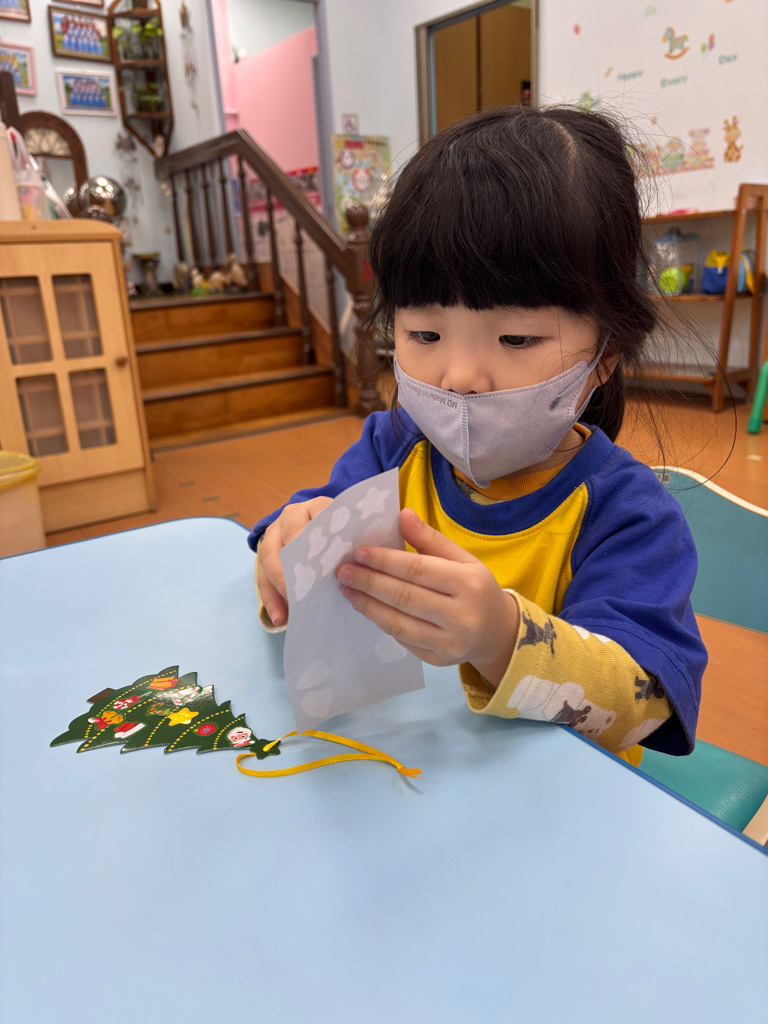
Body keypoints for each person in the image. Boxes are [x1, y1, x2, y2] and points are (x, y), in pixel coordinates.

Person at [249, 105, 707, 766]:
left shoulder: (629, 515)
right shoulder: (391, 447)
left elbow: (644, 703)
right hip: (409, 772)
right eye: (424, 333)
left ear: (605, 355)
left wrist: (502, 637)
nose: (460, 376)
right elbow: (305, 524)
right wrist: (289, 542)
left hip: (557, 799)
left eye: (516, 338)